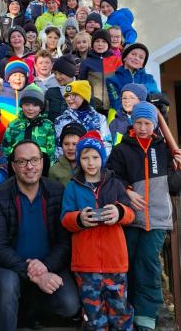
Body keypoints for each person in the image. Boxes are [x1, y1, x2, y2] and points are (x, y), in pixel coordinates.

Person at [107, 102, 181, 331]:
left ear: (154, 125)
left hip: (157, 220)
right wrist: (126, 191)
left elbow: (174, 186)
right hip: (130, 219)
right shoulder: (121, 150)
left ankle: (145, 315)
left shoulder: (163, 149)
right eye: (138, 123)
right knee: (128, 264)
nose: (143, 128)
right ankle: (127, 308)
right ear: (132, 123)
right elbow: (113, 177)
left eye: (147, 123)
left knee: (148, 264)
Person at [0, 140, 81, 331]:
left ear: (42, 162)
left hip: (49, 264)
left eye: (34, 160)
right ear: (13, 166)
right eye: (22, 162)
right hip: (10, 266)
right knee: (7, 286)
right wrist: (34, 274)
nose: (29, 166)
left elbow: (65, 242)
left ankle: (30, 308)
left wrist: (46, 266)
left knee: (69, 304)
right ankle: (7, 316)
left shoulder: (56, 191)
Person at [61, 131, 135, 330]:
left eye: (95, 157)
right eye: (85, 158)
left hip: (115, 262)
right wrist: (79, 218)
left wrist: (119, 212)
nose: (90, 162)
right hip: (86, 264)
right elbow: (65, 219)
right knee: (93, 315)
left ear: (102, 158)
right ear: (79, 160)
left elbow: (131, 214)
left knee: (120, 310)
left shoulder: (115, 184)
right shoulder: (72, 187)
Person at [1, 83, 55, 175]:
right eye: (26, 104)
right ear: (21, 106)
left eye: (35, 105)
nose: (30, 109)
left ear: (41, 108)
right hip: (18, 169)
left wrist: (50, 170)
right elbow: (5, 149)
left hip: (40, 170)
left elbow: (51, 151)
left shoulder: (47, 125)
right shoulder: (13, 125)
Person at [54, 80, 112, 159]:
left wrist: (99, 161)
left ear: (84, 95)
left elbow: (107, 144)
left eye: (73, 95)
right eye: (67, 96)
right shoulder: (61, 120)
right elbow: (58, 148)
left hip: (93, 164)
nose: (69, 99)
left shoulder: (99, 119)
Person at [79, 29, 122, 114]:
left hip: (113, 106)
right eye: (97, 41)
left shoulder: (117, 61)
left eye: (104, 41)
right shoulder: (86, 62)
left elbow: (121, 83)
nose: (100, 44)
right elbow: (82, 84)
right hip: (93, 107)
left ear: (108, 44)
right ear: (92, 44)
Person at [107, 43, 159, 112]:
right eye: (133, 54)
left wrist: (140, 88)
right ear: (124, 58)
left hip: (145, 115)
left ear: (142, 64)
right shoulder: (112, 80)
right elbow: (116, 103)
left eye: (141, 57)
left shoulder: (149, 79)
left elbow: (157, 96)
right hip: (123, 116)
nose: (136, 58)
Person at [0, 57, 30, 142]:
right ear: (8, 79)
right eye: (14, 75)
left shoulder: (31, 93)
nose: (18, 78)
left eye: (22, 76)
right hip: (4, 137)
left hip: (26, 138)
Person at [45, 53, 76, 121]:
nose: (57, 77)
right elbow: (45, 114)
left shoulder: (82, 91)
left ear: (70, 72)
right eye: (55, 73)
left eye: (61, 73)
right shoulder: (50, 91)